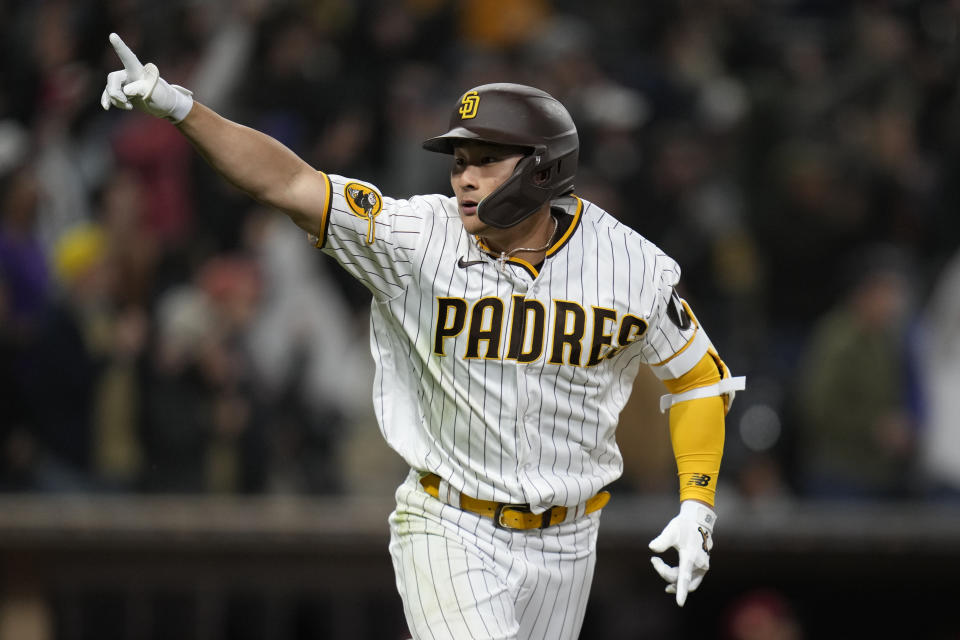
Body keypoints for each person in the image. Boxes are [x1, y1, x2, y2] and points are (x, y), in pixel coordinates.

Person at [101, 33, 744, 639]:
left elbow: (698, 379)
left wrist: (697, 506)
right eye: (460, 161)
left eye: (487, 161)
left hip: (570, 541)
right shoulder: (416, 237)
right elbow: (292, 182)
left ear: (545, 171)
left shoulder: (628, 264)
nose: (464, 176)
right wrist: (179, 106)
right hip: (450, 523)